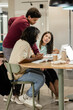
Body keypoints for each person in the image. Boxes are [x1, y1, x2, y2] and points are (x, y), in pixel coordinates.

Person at [3, 7, 41, 104]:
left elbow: (11, 20)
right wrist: (37, 53)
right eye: (34, 20)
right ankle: (14, 95)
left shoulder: (21, 18)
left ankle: (14, 94)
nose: (35, 22)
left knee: (18, 68)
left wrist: (10, 31)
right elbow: (31, 39)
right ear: (29, 17)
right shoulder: (24, 23)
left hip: (11, 44)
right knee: (16, 70)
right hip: (9, 46)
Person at [9, 26, 45, 108]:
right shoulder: (24, 44)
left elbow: (28, 55)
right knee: (41, 79)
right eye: (36, 36)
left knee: (41, 74)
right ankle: (26, 97)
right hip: (17, 74)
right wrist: (36, 58)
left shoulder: (21, 42)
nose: (37, 38)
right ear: (32, 35)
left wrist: (35, 56)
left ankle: (30, 97)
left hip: (17, 71)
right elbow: (21, 60)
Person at [36, 31, 59, 98]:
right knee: (47, 76)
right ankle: (57, 95)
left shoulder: (49, 47)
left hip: (46, 65)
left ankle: (58, 95)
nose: (47, 38)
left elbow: (57, 51)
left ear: (50, 40)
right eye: (46, 36)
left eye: (49, 38)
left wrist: (55, 51)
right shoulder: (36, 44)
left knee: (54, 75)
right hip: (37, 66)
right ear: (43, 36)